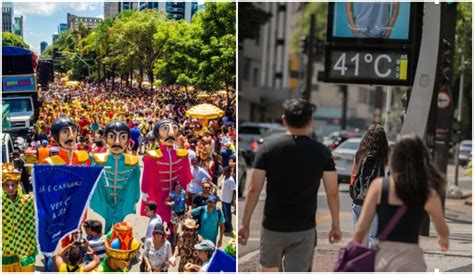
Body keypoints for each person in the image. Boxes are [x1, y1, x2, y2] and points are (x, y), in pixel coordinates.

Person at [238, 98, 341, 272]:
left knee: (269, 270)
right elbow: (332, 191)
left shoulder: (267, 149)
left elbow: (253, 188)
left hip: (272, 226)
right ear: (310, 121)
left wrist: (244, 223)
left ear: (284, 119)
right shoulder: (322, 152)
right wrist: (335, 225)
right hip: (304, 229)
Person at [352, 134, 449, 271]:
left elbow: (361, 230)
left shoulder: (379, 187)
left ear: (395, 158)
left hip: (382, 259)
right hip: (411, 260)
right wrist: (443, 240)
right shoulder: (428, 194)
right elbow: (442, 228)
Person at [90, 121, 141, 233]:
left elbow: (136, 179)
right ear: (106, 139)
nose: (117, 142)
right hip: (105, 199)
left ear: (127, 140)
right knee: (108, 226)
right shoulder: (98, 159)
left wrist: (136, 195)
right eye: (112, 137)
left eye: (122, 137)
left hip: (123, 200)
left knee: (120, 226)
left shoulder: (132, 162)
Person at [141, 119, 192, 229]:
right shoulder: (152, 156)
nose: (171, 133)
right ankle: (159, 231)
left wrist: (188, 183)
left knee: (173, 214)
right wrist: (145, 190)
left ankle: (171, 230)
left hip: (174, 192)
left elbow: (186, 170)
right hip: (159, 192)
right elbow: (147, 174)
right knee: (159, 213)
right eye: (165, 129)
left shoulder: (181, 154)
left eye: (174, 128)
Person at [349, 124, 389, 247]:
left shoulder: (360, 154)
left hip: (359, 200)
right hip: (378, 201)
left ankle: (361, 263)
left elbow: (353, 176)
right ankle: (372, 263)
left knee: (360, 236)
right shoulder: (387, 156)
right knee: (374, 236)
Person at [2, 163, 37, 272]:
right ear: (3, 186)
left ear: (18, 185)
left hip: (24, 246)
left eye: (13, 184)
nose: (10, 188)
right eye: (7, 185)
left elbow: (44, 198)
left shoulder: (27, 200)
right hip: (7, 247)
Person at [221, 167, 236, 234]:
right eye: (223, 172)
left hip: (228, 200)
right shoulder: (224, 177)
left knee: (228, 215)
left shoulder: (231, 180)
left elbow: (234, 190)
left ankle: (228, 228)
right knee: (224, 213)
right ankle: (225, 225)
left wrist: (233, 200)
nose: (224, 173)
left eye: (225, 172)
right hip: (223, 199)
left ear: (229, 172)